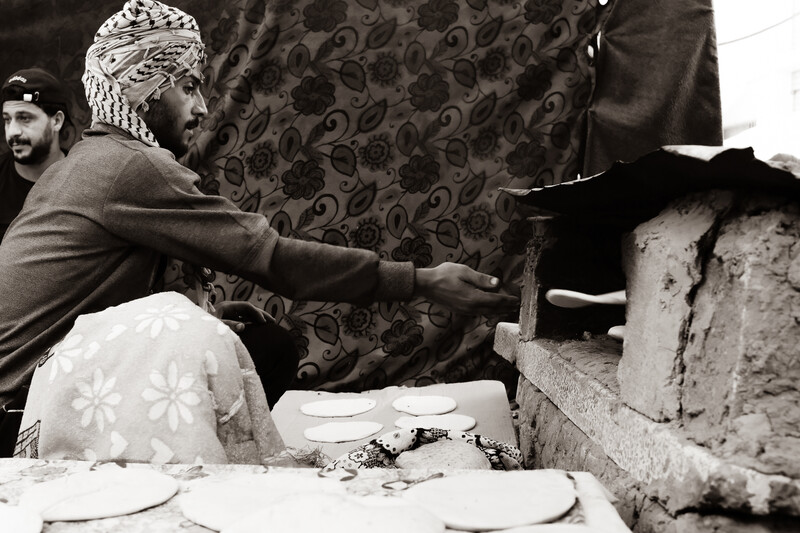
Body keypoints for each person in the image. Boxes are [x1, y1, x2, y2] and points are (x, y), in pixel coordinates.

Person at [0, 0, 518, 457]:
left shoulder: (88, 162)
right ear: (146, 91)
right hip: (22, 415)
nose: (202, 107)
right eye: (187, 87)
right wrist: (422, 281)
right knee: (267, 349)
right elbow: (273, 259)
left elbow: (93, 302)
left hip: (23, 393)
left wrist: (209, 313)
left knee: (245, 332)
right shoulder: (128, 166)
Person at [0, 68, 70, 241]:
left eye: (25, 118)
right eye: (7, 120)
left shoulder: (84, 179)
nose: (13, 132)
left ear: (57, 121)